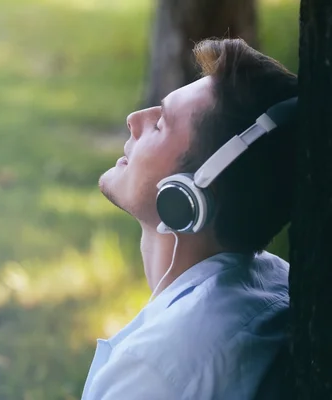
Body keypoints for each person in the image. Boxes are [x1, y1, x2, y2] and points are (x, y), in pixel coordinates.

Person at [81, 38, 297, 399]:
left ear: (190, 192)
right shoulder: (279, 282)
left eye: (161, 123)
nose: (135, 120)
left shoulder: (152, 371)